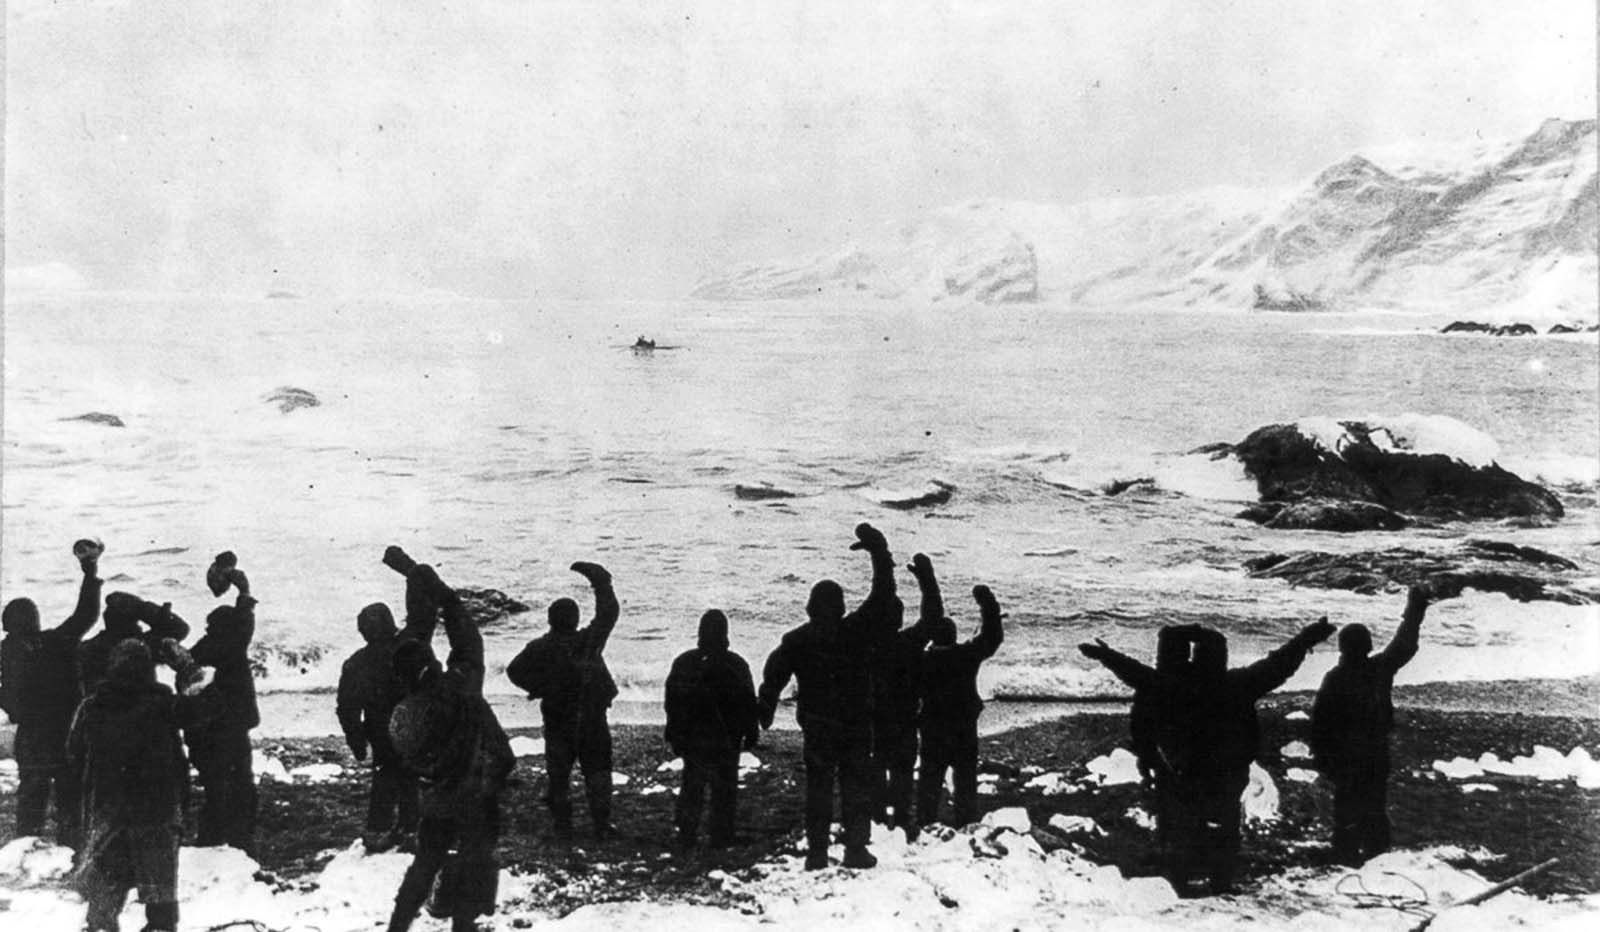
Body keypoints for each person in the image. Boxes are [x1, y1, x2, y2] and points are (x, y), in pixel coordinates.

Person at [1081, 617, 1334, 895]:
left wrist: (1105, 654)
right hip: (1224, 772)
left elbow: (1133, 672)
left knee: (1178, 827)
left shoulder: (1166, 685)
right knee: (1222, 826)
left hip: (1179, 771)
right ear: (1220, 658)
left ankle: (1182, 882)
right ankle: (1220, 883)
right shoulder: (1238, 683)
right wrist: (1307, 639)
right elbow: (1280, 664)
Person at [384, 550, 514, 932]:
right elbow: (469, 644)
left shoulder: (403, 712)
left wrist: (415, 580)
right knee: (475, 857)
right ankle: (463, 924)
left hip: (435, 797)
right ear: (431, 666)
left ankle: (398, 924)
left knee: (425, 863)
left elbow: (413, 645)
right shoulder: (458, 690)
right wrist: (447, 598)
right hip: (474, 793)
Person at [758, 522, 900, 871]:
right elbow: (883, 595)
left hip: (819, 725)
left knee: (818, 790)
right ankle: (855, 850)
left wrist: (765, 710)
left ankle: (817, 854)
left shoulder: (797, 639)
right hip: (854, 724)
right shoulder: (856, 630)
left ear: (810, 607)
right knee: (856, 788)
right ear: (839, 607)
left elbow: (773, 675)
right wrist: (879, 552)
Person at [67, 640, 187, 932]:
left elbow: (74, 753)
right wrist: (186, 665)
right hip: (156, 810)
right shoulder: (164, 705)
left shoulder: (92, 706)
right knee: (160, 897)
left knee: (105, 896)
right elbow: (211, 709)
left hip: (110, 810)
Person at [1311, 586, 1430, 865]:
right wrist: (1415, 612)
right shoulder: (1379, 669)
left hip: (1347, 755)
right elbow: (1405, 645)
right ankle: (1375, 857)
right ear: (1367, 646)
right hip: (1374, 751)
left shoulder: (1336, 677)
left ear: (1343, 648)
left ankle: (1346, 855)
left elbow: (1320, 722)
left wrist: (1323, 758)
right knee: (1374, 805)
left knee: (1347, 808)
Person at [506, 561, 620, 841]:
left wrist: (539, 687)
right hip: (592, 719)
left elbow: (513, 671)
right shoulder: (588, 641)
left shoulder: (540, 647)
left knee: (559, 776)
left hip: (558, 719)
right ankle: (601, 827)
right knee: (598, 772)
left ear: (550, 620)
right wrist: (601, 583)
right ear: (575, 619)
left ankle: (563, 828)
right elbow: (608, 614)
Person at [0, 539, 103, 847]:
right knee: (71, 799)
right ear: (35, 619)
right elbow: (85, 615)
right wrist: (90, 571)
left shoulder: (7, 651)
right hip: (65, 733)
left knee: (30, 799)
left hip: (31, 736)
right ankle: (72, 851)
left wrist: (14, 709)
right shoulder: (57, 642)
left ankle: (24, 850)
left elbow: (5, 693)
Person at [908, 554, 1004, 829]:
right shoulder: (966, 655)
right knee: (965, 779)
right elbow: (992, 638)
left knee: (929, 777)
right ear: (953, 636)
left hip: (933, 726)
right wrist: (988, 605)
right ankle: (965, 822)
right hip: (963, 726)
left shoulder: (922, 660)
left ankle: (926, 823)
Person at [181, 551, 260, 854]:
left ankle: (209, 842)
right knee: (241, 785)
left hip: (205, 734)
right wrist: (244, 591)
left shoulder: (202, 650)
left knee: (215, 789)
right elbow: (244, 627)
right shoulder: (233, 648)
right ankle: (240, 843)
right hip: (232, 729)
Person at [663, 609, 760, 850]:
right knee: (724, 787)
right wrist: (751, 731)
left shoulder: (685, 662)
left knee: (692, 785)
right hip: (727, 737)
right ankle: (721, 835)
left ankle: (687, 834)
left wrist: (674, 731)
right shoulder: (736, 664)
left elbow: (672, 701)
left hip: (694, 737)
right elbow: (748, 701)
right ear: (726, 634)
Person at [337, 601, 421, 852]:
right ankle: (410, 830)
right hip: (413, 726)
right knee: (412, 779)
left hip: (379, 730)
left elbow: (347, 708)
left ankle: (378, 831)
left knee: (384, 778)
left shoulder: (356, 663)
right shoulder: (412, 652)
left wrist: (357, 741)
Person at [868, 554, 919, 840]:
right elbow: (932, 618)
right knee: (902, 773)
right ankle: (901, 820)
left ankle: (876, 818)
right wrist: (927, 582)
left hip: (875, 719)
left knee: (876, 770)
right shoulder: (909, 643)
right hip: (904, 719)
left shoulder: (867, 646)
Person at [79, 589, 190, 699]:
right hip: (145, 708)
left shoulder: (87, 648)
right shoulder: (144, 645)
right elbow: (179, 629)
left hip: (100, 710)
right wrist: (143, 608)